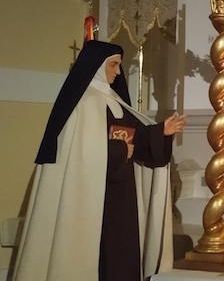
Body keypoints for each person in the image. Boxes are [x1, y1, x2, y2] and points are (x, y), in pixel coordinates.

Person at [12, 40, 186, 281]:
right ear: (96, 67)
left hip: (122, 198)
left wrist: (160, 132)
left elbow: (137, 137)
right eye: (113, 65)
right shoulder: (83, 104)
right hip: (90, 197)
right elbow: (81, 154)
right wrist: (118, 150)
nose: (117, 72)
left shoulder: (115, 101)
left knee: (120, 259)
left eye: (118, 66)